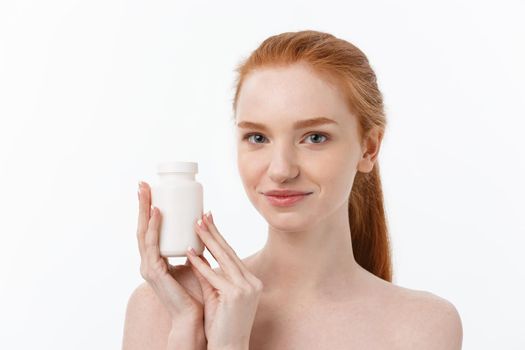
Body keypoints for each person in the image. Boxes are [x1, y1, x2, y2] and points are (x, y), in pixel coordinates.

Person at [122, 30, 463, 350]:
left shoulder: (422, 326)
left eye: (315, 137)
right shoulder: (165, 306)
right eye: (257, 138)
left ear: (369, 148)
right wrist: (190, 330)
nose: (281, 170)